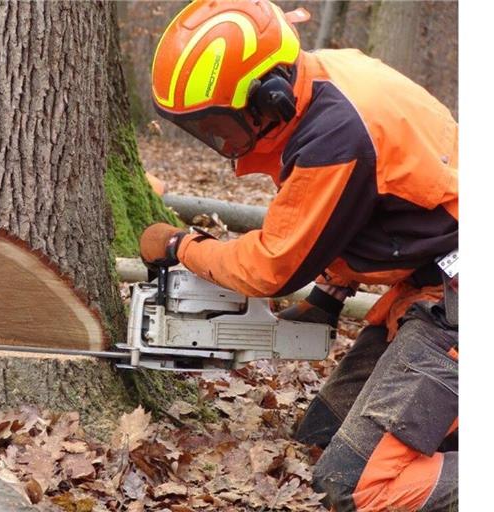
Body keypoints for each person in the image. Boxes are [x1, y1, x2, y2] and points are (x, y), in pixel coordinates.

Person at [139, 1, 458, 511]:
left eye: (223, 124)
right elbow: (371, 205)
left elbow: (270, 266)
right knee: (320, 436)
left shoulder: (334, 136)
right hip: (432, 287)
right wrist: (331, 296)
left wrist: (184, 247)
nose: (220, 139)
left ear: (270, 97)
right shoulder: (320, 88)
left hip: (461, 304)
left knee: (355, 486)